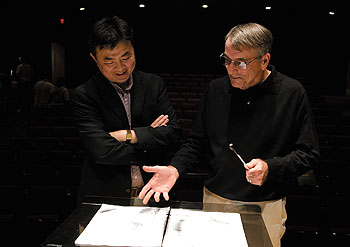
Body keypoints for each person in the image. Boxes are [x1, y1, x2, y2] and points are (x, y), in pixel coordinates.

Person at [139, 23, 319, 247]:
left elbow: (308, 154)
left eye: (241, 62)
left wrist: (270, 167)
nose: (231, 69)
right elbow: (197, 142)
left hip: (265, 205)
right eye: (227, 60)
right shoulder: (216, 89)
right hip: (216, 199)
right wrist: (175, 169)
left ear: (265, 60)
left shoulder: (292, 93)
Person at [71, 15, 181, 204]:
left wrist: (125, 135)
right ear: (94, 59)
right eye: (109, 61)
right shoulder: (85, 94)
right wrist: (150, 142)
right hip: (105, 193)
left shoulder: (153, 84)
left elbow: (173, 133)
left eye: (126, 56)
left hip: (153, 190)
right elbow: (102, 150)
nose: (120, 67)